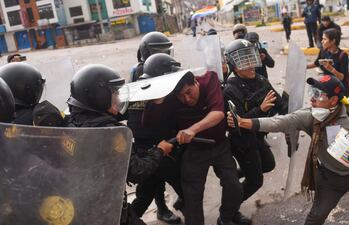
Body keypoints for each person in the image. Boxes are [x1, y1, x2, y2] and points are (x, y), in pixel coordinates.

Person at [227, 75, 349, 225]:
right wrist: (242, 122)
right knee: (315, 217)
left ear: (334, 100)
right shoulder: (310, 117)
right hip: (330, 179)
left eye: (318, 94)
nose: (311, 98)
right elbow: (279, 122)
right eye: (312, 92)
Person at [65, 64, 174, 225]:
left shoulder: (71, 123)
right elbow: (137, 171)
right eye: (114, 92)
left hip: (81, 208)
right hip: (109, 211)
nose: (118, 97)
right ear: (99, 96)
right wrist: (159, 151)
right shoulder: (110, 133)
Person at [142, 71, 243, 225]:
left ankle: (225, 218)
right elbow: (148, 124)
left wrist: (192, 129)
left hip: (220, 145)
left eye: (189, 92)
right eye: (181, 96)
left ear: (196, 82)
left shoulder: (209, 79)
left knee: (234, 187)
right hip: (194, 151)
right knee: (192, 197)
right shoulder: (170, 97)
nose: (187, 99)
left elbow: (218, 114)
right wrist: (157, 101)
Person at [223, 39, 288, 225]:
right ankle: (229, 211)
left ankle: (234, 176)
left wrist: (292, 110)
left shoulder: (260, 79)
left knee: (268, 164)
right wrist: (260, 108)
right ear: (234, 65)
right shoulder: (230, 89)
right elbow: (236, 123)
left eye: (250, 58)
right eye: (244, 61)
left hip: (257, 137)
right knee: (255, 181)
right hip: (242, 142)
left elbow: (277, 102)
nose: (250, 65)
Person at [128, 33, 181, 224]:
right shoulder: (143, 72)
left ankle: (173, 205)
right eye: (161, 50)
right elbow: (138, 109)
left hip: (161, 133)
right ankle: (162, 208)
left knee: (165, 178)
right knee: (153, 179)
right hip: (148, 136)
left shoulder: (161, 67)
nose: (165, 54)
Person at [307, 28, 349, 95]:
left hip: (339, 90)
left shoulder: (343, 55)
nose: (322, 41)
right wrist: (303, 66)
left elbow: (342, 77)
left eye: (324, 39)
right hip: (326, 86)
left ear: (333, 41)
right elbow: (316, 63)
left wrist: (331, 69)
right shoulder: (323, 51)